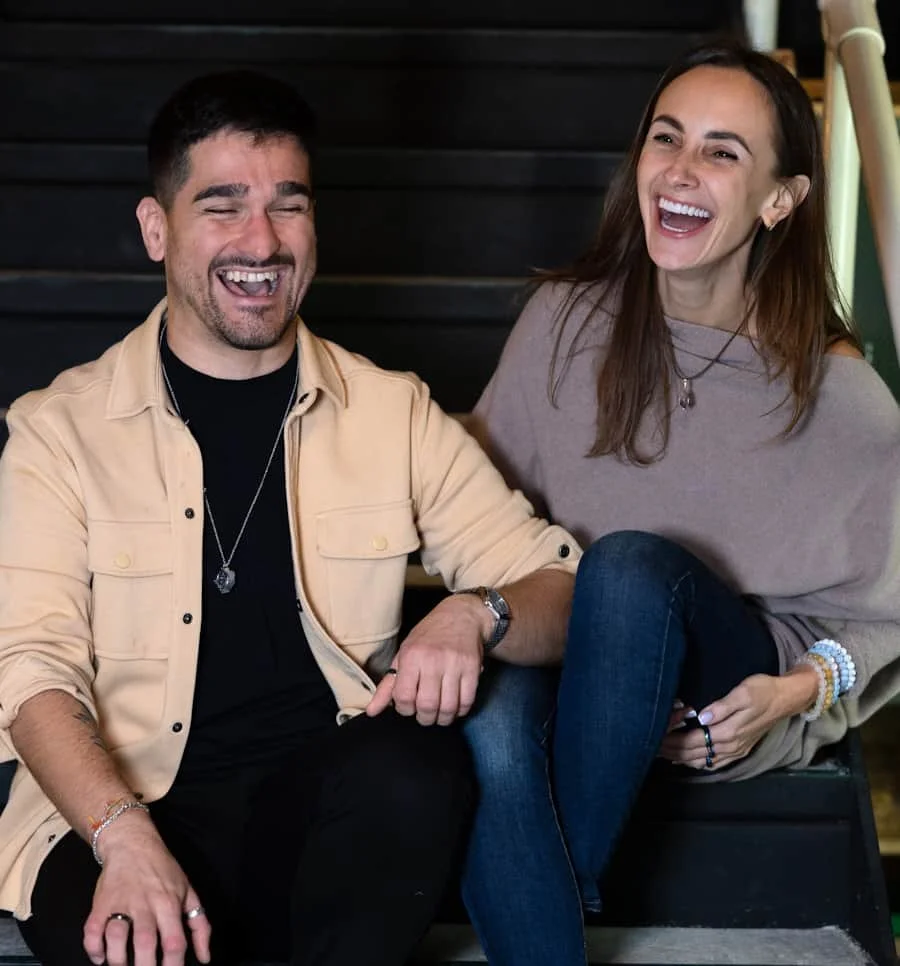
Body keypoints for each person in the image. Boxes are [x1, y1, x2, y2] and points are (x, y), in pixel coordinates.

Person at [0, 70, 580, 966]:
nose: (261, 241)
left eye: (289, 205)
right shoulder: (57, 431)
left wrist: (478, 612)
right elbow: (29, 672)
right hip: (117, 814)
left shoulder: (393, 411)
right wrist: (122, 838)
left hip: (319, 821)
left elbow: (562, 584)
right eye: (222, 206)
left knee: (415, 769)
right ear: (157, 229)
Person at [461, 41, 900, 966]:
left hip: (725, 681)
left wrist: (792, 692)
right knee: (495, 721)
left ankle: (550, 875)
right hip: (573, 641)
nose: (681, 170)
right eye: (668, 138)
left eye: (722, 151)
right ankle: (555, 914)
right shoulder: (566, 324)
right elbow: (476, 504)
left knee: (627, 561)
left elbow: (883, 617)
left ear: (781, 199)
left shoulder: (841, 396)